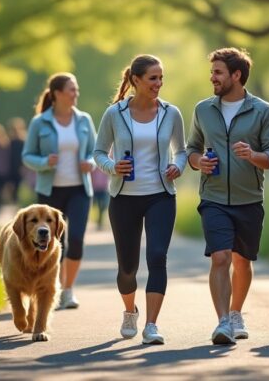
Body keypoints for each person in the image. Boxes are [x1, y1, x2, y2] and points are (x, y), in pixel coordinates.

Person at [186, 47, 269, 345]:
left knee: (242, 261)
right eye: (212, 72)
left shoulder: (262, 110)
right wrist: (197, 162)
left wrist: (254, 155)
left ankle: (237, 311)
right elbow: (191, 148)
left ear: (236, 75)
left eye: (218, 72)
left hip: (249, 199)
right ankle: (223, 322)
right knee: (221, 256)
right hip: (213, 197)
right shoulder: (203, 109)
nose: (212, 77)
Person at [94, 54, 186, 345]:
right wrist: (112, 167)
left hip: (160, 195)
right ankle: (129, 310)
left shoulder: (171, 113)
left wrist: (178, 166)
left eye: (161, 78)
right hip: (124, 198)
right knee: (128, 268)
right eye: (152, 78)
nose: (158, 84)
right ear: (135, 80)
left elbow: (181, 151)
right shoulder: (115, 114)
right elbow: (98, 152)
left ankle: (151, 325)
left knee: (157, 257)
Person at [22, 72, 97, 310]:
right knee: (53, 242)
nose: (76, 94)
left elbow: (97, 153)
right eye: (71, 89)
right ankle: (48, 288)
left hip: (79, 189)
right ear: (57, 94)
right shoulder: (40, 123)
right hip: (50, 192)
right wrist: (44, 162)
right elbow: (26, 156)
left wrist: (90, 163)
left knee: (75, 240)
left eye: (76, 89)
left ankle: (68, 290)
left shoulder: (84, 120)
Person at [7, 117, 27, 206]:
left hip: (20, 167)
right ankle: (13, 202)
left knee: (18, 187)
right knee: (11, 186)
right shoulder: (8, 141)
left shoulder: (23, 141)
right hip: (10, 167)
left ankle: (16, 202)